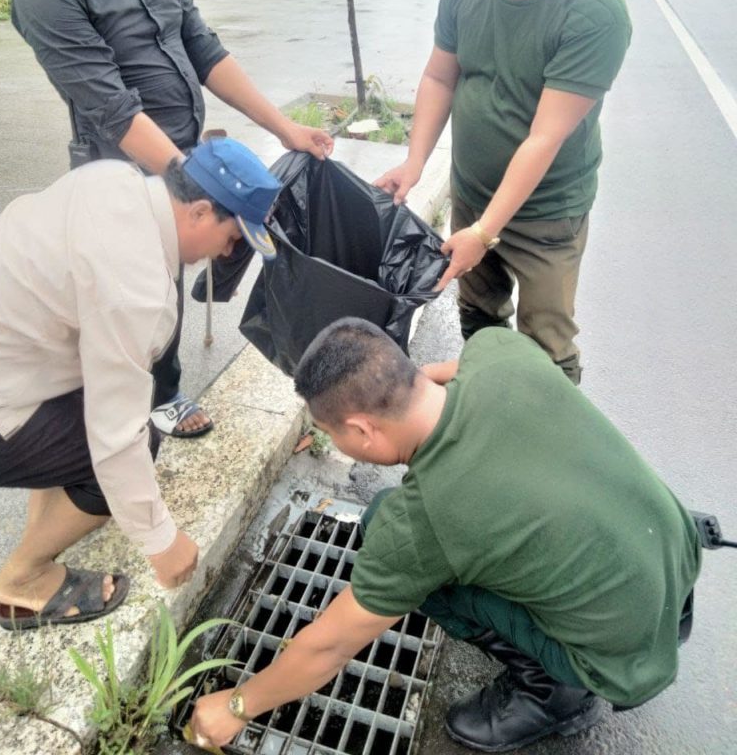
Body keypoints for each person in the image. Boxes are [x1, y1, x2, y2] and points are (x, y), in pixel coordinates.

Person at [189, 318, 700, 752]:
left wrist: (237, 705)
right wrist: (399, 386)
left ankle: (556, 692)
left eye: (334, 432)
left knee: (401, 546)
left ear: (363, 430)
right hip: (673, 561)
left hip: (621, 655)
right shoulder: (501, 351)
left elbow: (328, 648)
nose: (335, 443)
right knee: (395, 518)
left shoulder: (424, 522)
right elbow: (448, 373)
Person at [11, 0, 333, 438]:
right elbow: (111, 107)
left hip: (181, 154)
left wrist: (283, 126)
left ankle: (158, 389)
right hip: (118, 170)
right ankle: (115, 404)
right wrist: (197, 183)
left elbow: (205, 51)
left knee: (161, 281)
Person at [0, 138, 282, 629]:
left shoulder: (111, 178)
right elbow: (115, 438)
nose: (228, 252)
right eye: (234, 236)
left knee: (88, 409)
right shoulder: (135, 288)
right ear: (200, 212)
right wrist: (162, 541)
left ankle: (42, 535)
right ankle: (23, 579)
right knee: (130, 448)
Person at [375, 0, 632, 383]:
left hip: (546, 213)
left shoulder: (594, 11)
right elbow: (440, 75)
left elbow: (544, 137)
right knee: (479, 319)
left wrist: (485, 232)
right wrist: (415, 163)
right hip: (473, 193)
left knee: (545, 347)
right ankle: (486, 415)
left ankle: (548, 445)